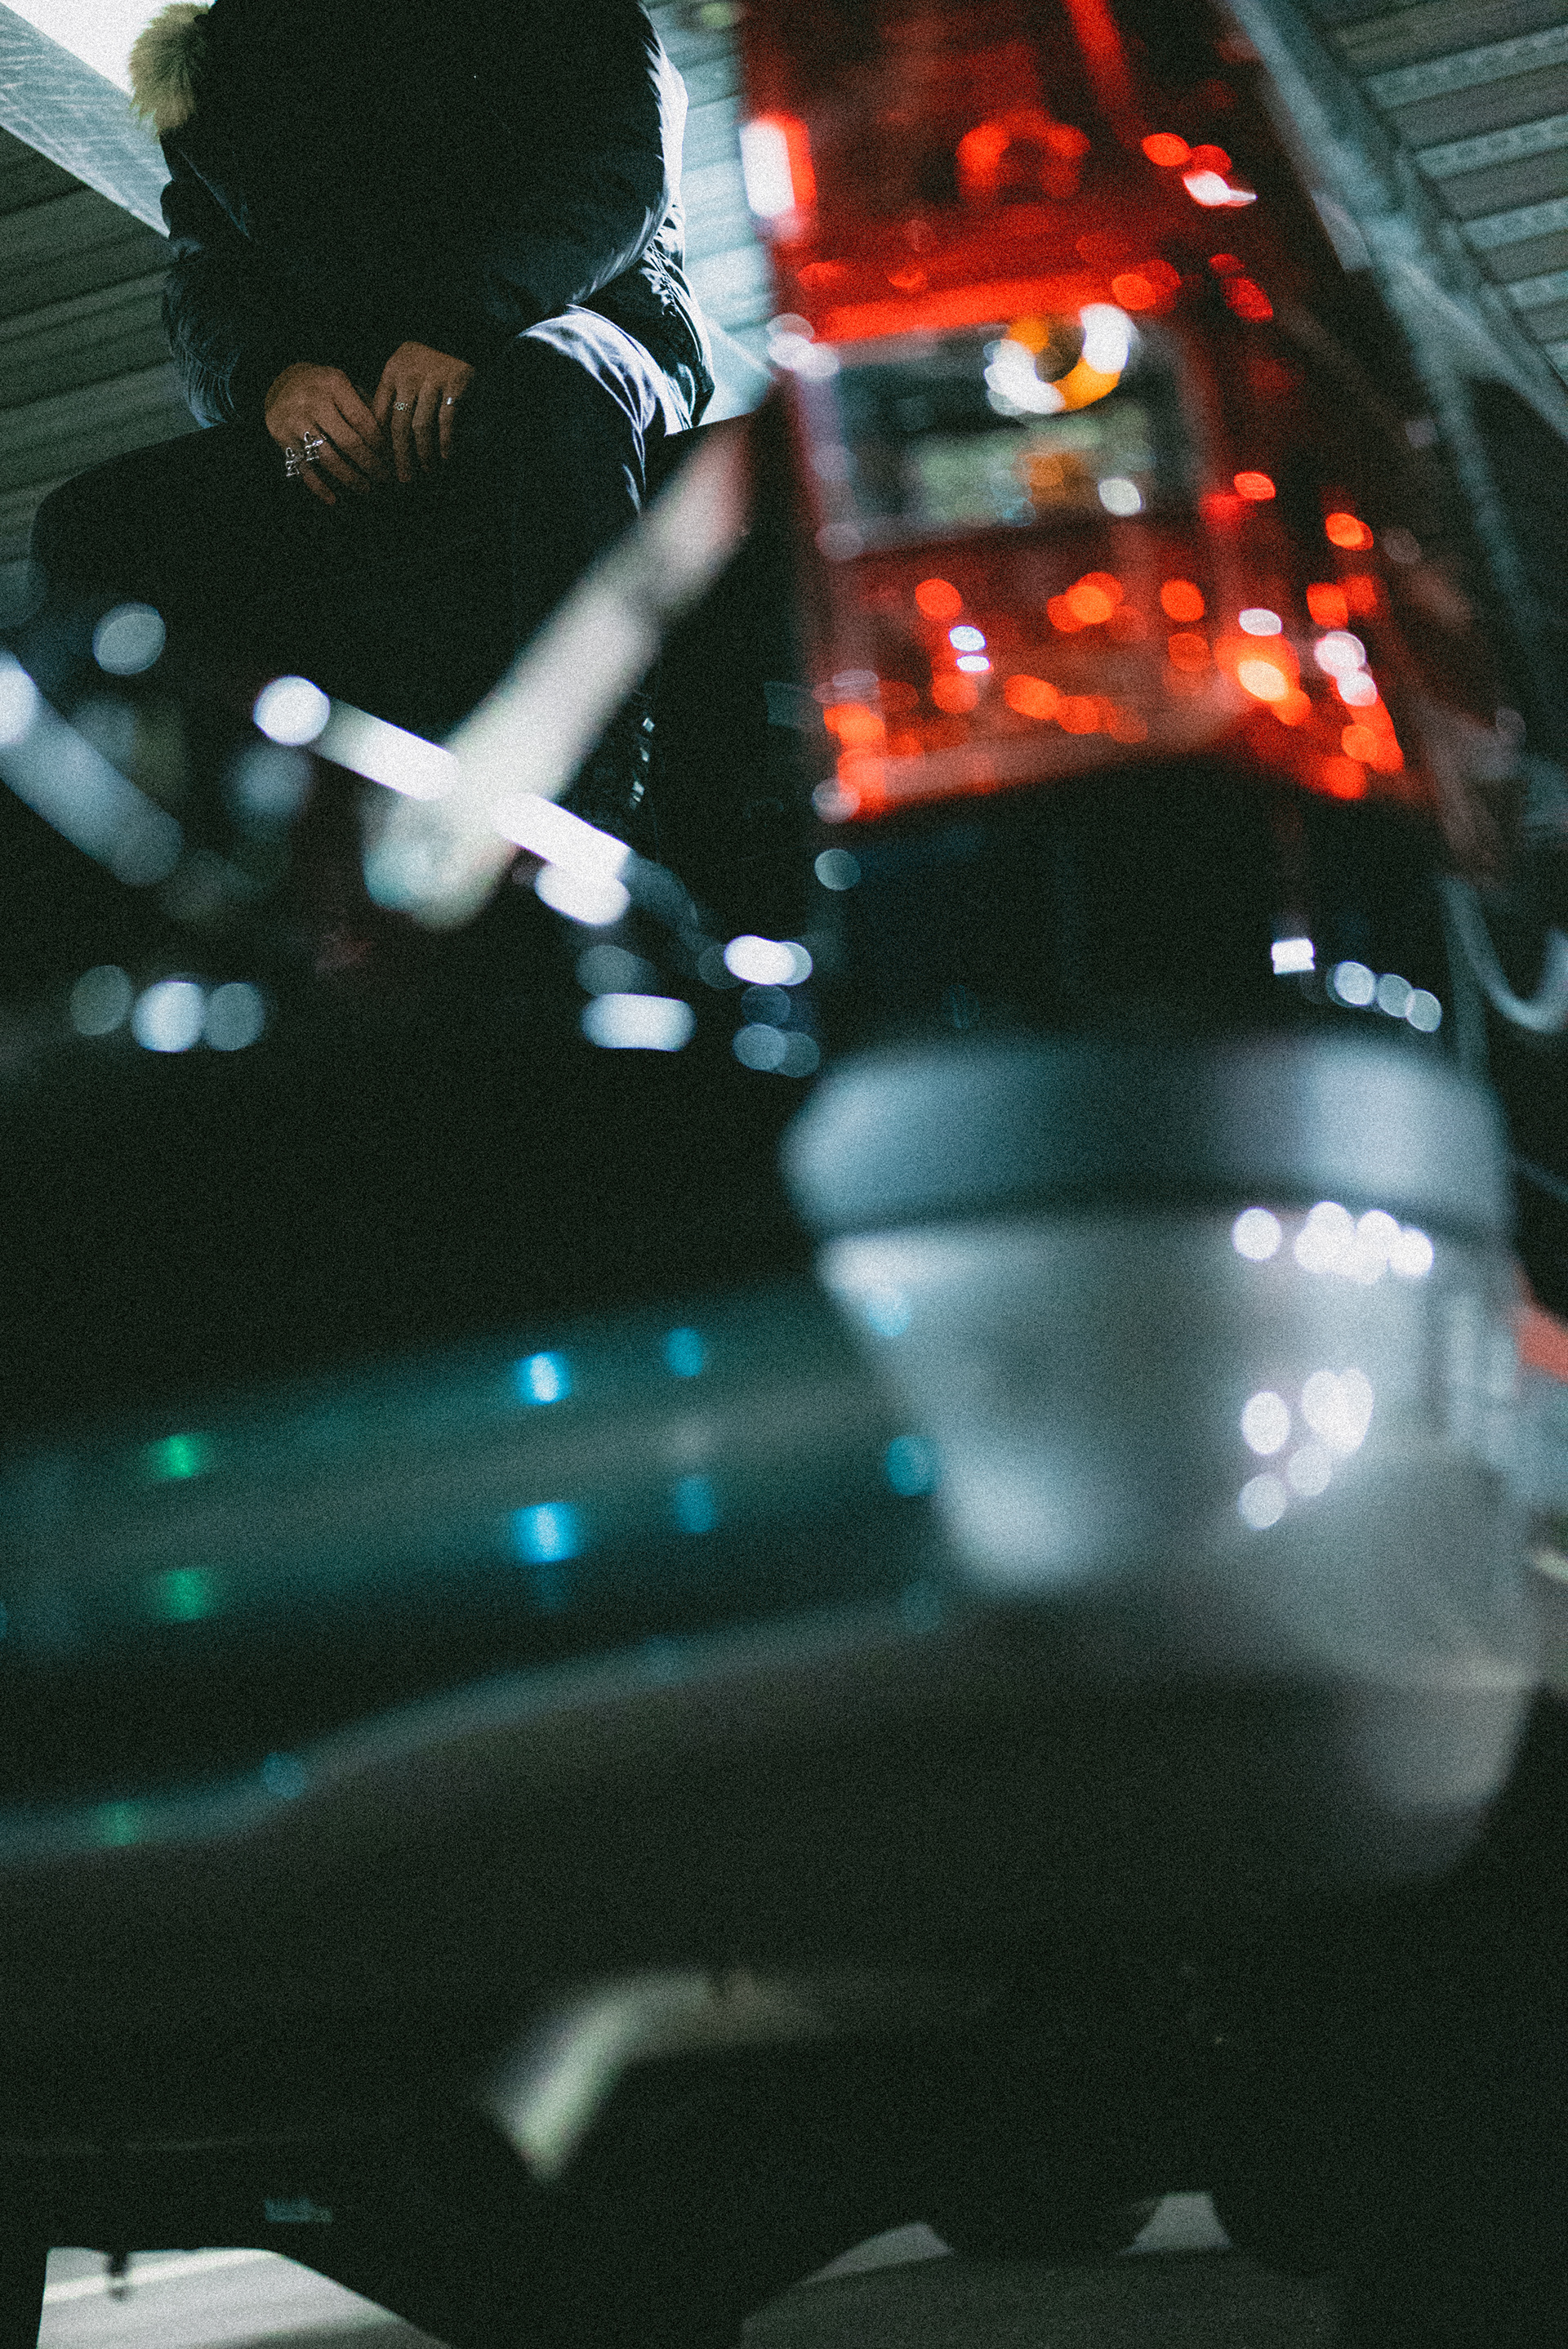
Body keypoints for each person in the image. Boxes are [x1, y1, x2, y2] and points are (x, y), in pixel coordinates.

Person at [32, 0, 714, 821]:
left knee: (550, 378)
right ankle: (153, 845)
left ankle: (604, 792)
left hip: (580, 341)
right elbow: (205, 277)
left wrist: (464, 327)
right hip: (362, 417)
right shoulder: (223, 60)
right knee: (91, 524)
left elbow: (622, 172)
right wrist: (273, 380)